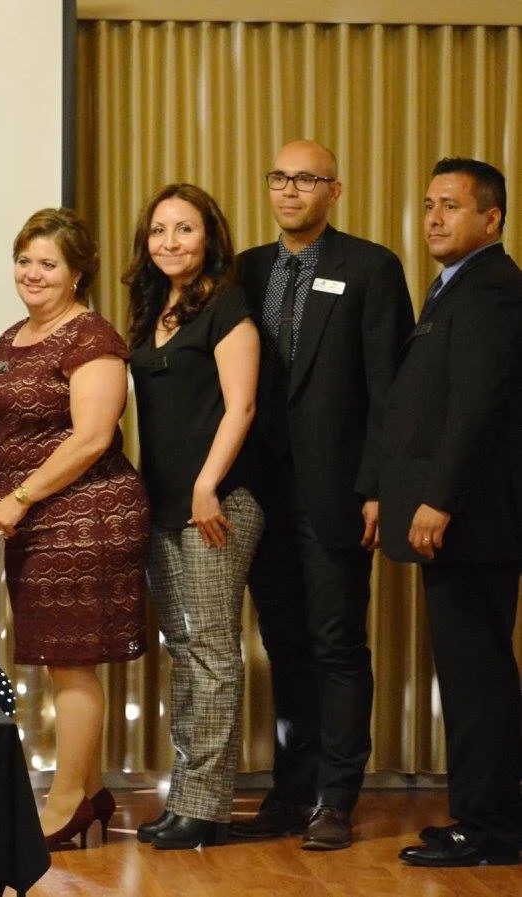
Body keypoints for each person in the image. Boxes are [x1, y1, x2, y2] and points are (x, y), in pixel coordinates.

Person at [232, 140, 414, 850]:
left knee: (337, 644)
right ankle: (291, 790)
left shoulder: (370, 267)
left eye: (305, 179)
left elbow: (388, 390)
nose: (289, 190)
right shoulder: (246, 269)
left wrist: (378, 488)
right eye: (279, 177)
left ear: (334, 191)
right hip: (260, 493)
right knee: (283, 644)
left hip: (337, 492)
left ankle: (336, 798)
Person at [0, 208, 149, 847]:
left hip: (88, 517)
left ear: (77, 274)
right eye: (25, 261)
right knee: (59, 662)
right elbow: (1, 426)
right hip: (30, 518)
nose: (33, 273)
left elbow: (92, 437)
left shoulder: (92, 337)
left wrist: (18, 497)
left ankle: (68, 803)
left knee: (72, 664)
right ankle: (92, 791)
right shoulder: (11, 337)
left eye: (48, 264)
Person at [380, 159, 522, 868]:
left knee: (478, 677)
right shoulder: (456, 286)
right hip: (463, 519)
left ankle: (491, 829)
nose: (434, 218)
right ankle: (482, 816)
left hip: (474, 520)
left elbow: (476, 405)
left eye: (452, 206)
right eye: (429, 203)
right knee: (470, 676)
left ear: (491, 220)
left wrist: (438, 499)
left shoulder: (491, 289)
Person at [125, 183, 263, 850]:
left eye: (184, 228)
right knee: (185, 653)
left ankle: (206, 807)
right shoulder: (149, 306)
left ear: (209, 236)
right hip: (162, 503)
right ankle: (186, 798)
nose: (170, 242)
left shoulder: (226, 304)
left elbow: (241, 406)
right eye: (159, 230)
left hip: (218, 501)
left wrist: (208, 485)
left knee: (210, 652)